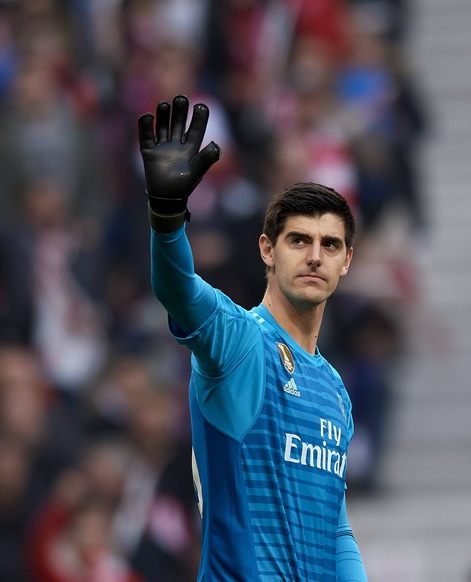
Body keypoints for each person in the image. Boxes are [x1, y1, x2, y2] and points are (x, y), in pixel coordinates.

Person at [138, 95, 367, 580]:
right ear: (267, 249)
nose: (314, 257)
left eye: (330, 245)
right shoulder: (241, 342)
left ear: (346, 261)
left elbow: (337, 529)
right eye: (298, 240)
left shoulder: (335, 392)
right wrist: (167, 219)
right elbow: (178, 291)